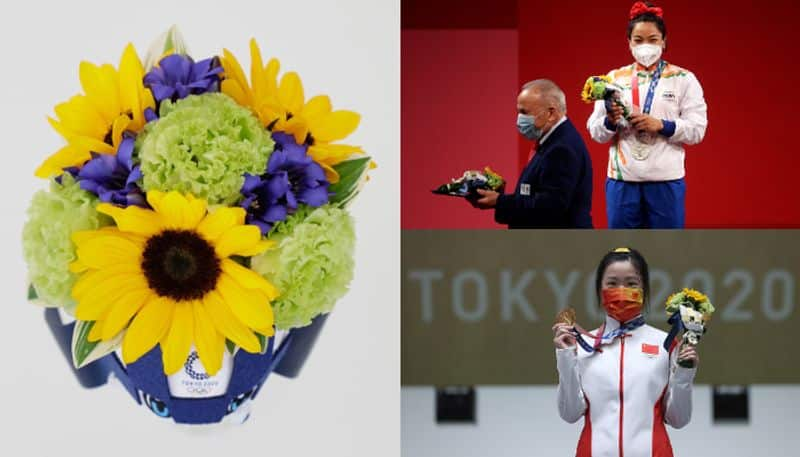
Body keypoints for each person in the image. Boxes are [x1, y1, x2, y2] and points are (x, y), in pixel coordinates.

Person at [552, 247, 698, 457]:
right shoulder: (582, 344)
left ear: (644, 289)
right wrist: (565, 357)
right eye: (612, 283)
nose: (621, 290)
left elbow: (678, 419)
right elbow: (569, 414)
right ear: (599, 289)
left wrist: (685, 373)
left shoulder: (666, 344)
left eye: (631, 283)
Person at [587, 1, 708, 229]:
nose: (645, 46)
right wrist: (609, 122)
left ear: (664, 41)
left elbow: (697, 130)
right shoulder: (613, 79)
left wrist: (662, 125)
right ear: (629, 43)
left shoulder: (683, 78)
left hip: (666, 181)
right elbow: (595, 131)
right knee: (622, 253)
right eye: (638, 40)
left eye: (653, 39)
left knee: (666, 254)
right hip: (622, 181)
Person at [472, 79, 593, 228]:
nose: (520, 120)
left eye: (524, 113)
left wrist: (499, 201)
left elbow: (550, 207)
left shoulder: (562, 148)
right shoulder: (554, 140)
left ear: (551, 113)